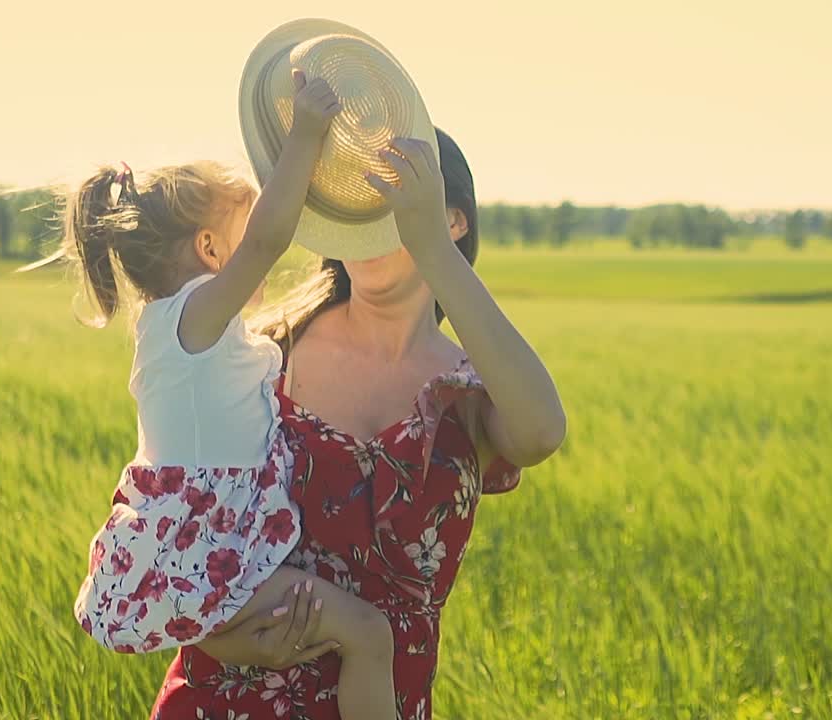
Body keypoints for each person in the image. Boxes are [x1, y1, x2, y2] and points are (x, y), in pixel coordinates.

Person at [148, 128, 566, 719]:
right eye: (352, 208)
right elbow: (169, 521)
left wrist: (433, 252)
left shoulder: (473, 392)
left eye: (390, 209)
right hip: (224, 698)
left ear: (453, 221)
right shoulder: (263, 353)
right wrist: (222, 635)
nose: (366, 229)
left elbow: (543, 433)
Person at [68, 72, 395, 720]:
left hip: (205, 553)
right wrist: (305, 134)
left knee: (291, 638)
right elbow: (270, 236)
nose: (264, 255)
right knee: (371, 635)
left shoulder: (178, 331)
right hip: (213, 553)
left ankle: (230, 636)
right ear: (212, 249)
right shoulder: (195, 313)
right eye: (245, 232)